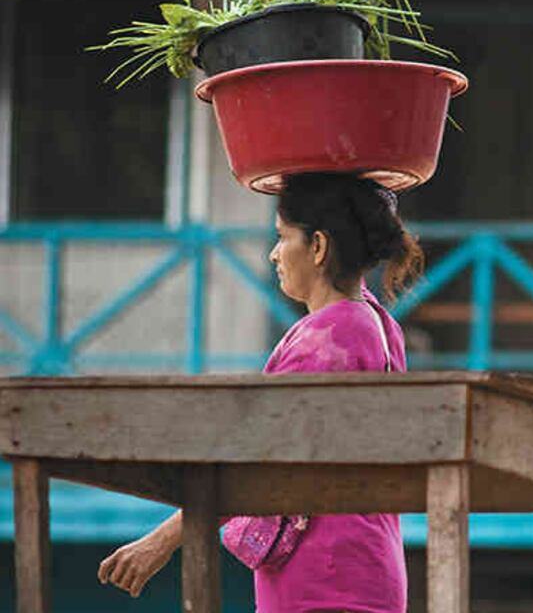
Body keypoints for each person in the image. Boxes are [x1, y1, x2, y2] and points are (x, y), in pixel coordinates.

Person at [97, 172, 424, 613]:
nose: (274, 254)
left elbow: (252, 462)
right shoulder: (380, 325)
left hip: (324, 581)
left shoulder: (328, 335)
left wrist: (161, 541)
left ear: (319, 247)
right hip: (367, 569)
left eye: (282, 237)